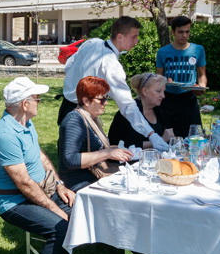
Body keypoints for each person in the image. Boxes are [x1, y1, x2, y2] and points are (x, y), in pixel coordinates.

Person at [0, 77, 78, 254]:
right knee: (60, 227)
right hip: (13, 201)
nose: (40, 102)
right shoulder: (5, 133)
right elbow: (23, 183)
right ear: (25, 103)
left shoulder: (26, 124)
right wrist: (54, 208)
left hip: (40, 191)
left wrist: (59, 184)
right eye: (37, 98)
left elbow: (40, 156)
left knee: (79, 217)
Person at [60, 16, 169, 152]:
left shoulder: (92, 42)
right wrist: (151, 135)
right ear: (120, 36)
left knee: (68, 153)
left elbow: (69, 64)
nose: (136, 41)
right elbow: (127, 105)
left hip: (66, 107)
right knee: (80, 159)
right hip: (83, 114)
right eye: (133, 37)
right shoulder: (111, 64)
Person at [58, 76, 134, 192]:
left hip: (93, 178)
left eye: (106, 98)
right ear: (86, 101)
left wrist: (116, 150)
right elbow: (70, 159)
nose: (106, 103)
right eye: (102, 99)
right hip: (79, 184)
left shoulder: (91, 119)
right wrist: (107, 153)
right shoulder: (75, 121)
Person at [154, 15, 208, 137]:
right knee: (168, 135)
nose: (184, 35)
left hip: (188, 97)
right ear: (172, 32)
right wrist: (161, 84)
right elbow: (158, 76)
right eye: (180, 32)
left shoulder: (198, 49)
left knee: (193, 136)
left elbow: (202, 74)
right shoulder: (163, 52)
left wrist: (201, 87)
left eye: (187, 32)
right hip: (168, 99)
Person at [108, 72, 175, 149]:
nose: (163, 96)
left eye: (164, 91)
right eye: (158, 91)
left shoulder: (159, 110)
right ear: (145, 91)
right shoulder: (129, 112)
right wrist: (161, 140)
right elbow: (128, 145)